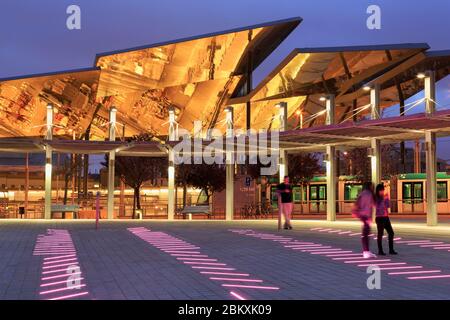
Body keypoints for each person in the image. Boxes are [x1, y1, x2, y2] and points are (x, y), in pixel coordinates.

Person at [352, 182, 376, 258]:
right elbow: (372, 205)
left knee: (365, 233)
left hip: (362, 215)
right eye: (372, 186)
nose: (373, 187)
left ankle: (366, 251)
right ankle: (366, 252)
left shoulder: (362, 193)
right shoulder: (369, 194)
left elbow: (357, 203)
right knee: (366, 234)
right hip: (366, 215)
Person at [374, 183, 397, 255]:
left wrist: (387, 199)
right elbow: (378, 207)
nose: (382, 191)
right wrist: (384, 199)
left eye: (383, 190)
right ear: (378, 191)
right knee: (380, 234)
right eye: (381, 190)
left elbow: (388, 206)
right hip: (380, 218)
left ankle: (391, 250)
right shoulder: (376, 198)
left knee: (391, 233)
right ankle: (380, 251)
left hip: (386, 217)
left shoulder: (384, 197)